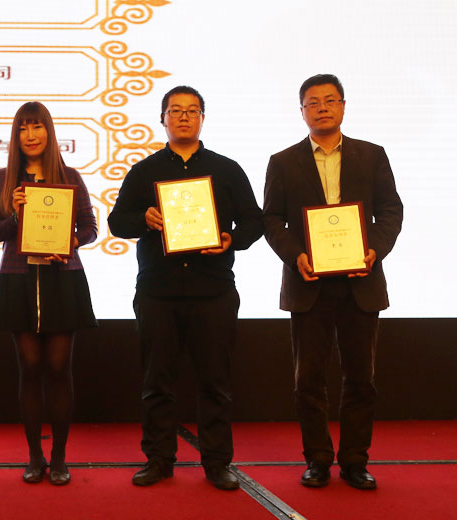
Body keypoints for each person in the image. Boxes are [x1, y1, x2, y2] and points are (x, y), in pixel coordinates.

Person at [107, 86, 263, 490]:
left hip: (214, 290)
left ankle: (217, 463)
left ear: (202, 119)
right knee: (157, 382)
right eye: (175, 111)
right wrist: (144, 219)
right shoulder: (144, 171)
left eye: (192, 111)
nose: (183, 117)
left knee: (216, 382)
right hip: (158, 291)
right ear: (162, 119)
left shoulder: (227, 169)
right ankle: (159, 460)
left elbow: (254, 220)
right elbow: (117, 222)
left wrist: (232, 239)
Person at [262, 74, 403, 490]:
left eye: (329, 100)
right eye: (313, 102)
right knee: (308, 381)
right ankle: (318, 459)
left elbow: (391, 211)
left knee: (361, 379)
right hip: (308, 284)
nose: (321, 108)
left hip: (362, 282)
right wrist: (296, 256)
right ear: (302, 111)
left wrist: (374, 249)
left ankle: (355, 460)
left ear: (343, 106)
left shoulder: (372, 155)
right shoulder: (282, 161)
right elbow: (272, 219)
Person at [0, 101, 98, 486]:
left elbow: (89, 227)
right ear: (15, 136)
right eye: (23, 128)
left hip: (62, 278)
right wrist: (16, 215)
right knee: (30, 369)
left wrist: (70, 241)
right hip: (18, 279)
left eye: (37, 127)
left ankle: (60, 456)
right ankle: (35, 456)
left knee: (59, 369)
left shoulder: (70, 176)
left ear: (49, 133)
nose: (31, 135)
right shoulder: (3, 179)